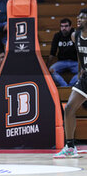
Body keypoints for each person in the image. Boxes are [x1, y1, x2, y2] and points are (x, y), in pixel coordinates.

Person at [53, 19, 87, 159]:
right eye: (78, 17)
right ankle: (70, 147)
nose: (79, 19)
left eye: (83, 17)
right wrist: (80, 70)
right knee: (69, 109)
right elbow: (80, 55)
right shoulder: (75, 36)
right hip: (85, 78)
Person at [48, 18, 78, 87]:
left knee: (85, 71)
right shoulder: (57, 35)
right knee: (51, 69)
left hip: (75, 62)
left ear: (70, 27)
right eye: (62, 26)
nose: (64, 28)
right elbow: (53, 52)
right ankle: (64, 86)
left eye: (66, 26)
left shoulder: (75, 34)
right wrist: (47, 66)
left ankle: (70, 86)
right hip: (62, 62)